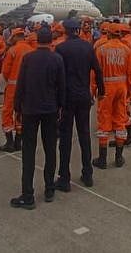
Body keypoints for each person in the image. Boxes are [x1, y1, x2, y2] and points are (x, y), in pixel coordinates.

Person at [10, 27, 65, 209]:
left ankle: (28, 195)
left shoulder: (28, 58)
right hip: (50, 109)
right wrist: (60, 107)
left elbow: (21, 84)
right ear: (50, 41)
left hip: (30, 110)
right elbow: (61, 86)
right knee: (50, 150)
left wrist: (17, 107)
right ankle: (49, 188)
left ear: (37, 40)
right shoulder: (57, 59)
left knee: (29, 152)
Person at [55, 19, 103, 190]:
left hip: (67, 98)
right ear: (77, 30)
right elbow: (97, 70)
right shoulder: (87, 47)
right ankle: (87, 173)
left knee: (65, 138)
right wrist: (101, 90)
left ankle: (64, 178)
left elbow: (58, 76)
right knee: (84, 135)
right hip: (84, 96)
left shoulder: (61, 48)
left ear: (66, 31)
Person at [92, 24, 131, 169]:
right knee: (120, 119)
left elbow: (95, 72)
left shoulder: (101, 49)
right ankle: (119, 157)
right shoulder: (126, 50)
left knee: (104, 120)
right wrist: (130, 88)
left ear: (108, 34)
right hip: (121, 87)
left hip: (106, 88)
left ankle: (102, 159)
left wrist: (93, 89)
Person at [0, 27, 35, 152]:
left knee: (7, 112)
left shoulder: (13, 51)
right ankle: (18, 142)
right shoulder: (31, 50)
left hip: (13, 86)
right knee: (21, 113)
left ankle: (9, 142)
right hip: (27, 87)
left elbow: (6, 71)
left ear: (15, 37)